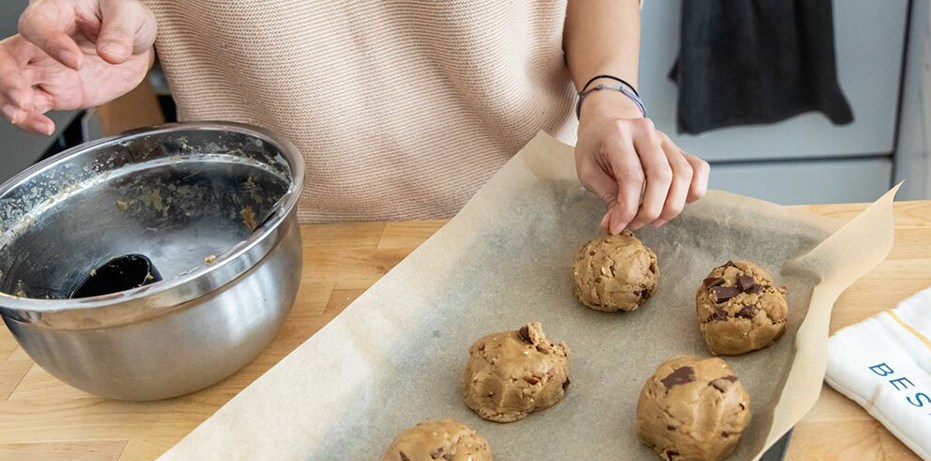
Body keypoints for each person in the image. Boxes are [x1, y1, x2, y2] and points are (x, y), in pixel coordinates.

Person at [0, 0, 709, 232]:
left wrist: (609, 93)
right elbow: (121, 20)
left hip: (538, 209)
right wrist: (102, 40)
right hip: (284, 248)